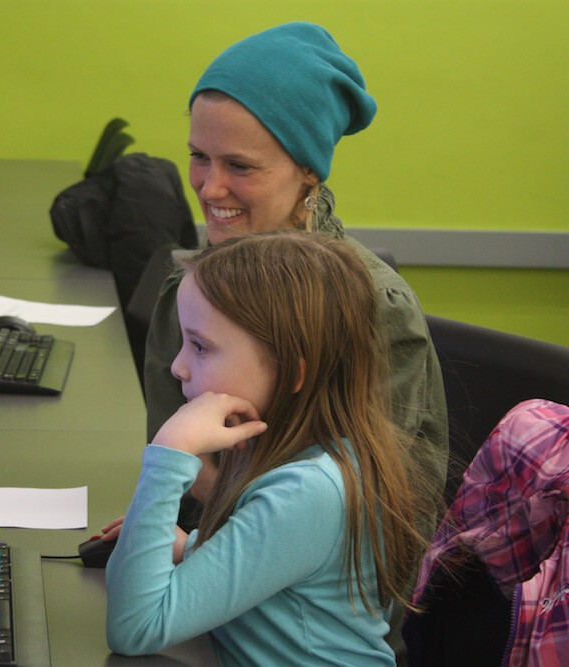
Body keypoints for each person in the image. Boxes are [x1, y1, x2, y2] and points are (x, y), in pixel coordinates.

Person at [142, 21, 448, 546]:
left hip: (312, 613)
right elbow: (172, 469)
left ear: (308, 170)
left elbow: (372, 522)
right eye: (199, 156)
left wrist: (197, 543)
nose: (210, 187)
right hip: (203, 571)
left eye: (239, 165)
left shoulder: (370, 305)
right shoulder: (188, 291)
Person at [105, 231, 432, 665]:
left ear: (292, 371)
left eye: (201, 346)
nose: (178, 366)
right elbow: (279, 561)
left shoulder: (310, 489)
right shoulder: (284, 453)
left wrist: (172, 451)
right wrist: (194, 547)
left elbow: (134, 626)